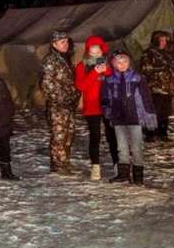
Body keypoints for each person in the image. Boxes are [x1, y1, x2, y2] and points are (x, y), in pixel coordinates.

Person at [102, 51, 158, 185]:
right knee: (121, 147)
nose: (122, 65)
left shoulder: (137, 79)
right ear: (113, 64)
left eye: (125, 62)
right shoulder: (109, 80)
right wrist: (107, 111)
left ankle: (138, 176)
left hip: (134, 117)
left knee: (136, 147)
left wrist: (149, 115)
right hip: (118, 118)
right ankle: (123, 174)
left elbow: (146, 98)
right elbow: (105, 98)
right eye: (118, 62)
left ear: (129, 63)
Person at [74, 36, 118, 181]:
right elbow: (81, 86)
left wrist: (107, 71)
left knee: (112, 136)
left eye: (97, 52)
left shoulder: (109, 64)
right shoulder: (82, 66)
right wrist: (95, 72)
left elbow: (115, 80)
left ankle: (117, 164)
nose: (95, 55)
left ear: (102, 51)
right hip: (92, 106)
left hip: (108, 105)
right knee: (95, 137)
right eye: (91, 53)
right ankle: (95, 166)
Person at [40, 31, 80, 175]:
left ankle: (64, 162)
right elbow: (47, 85)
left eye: (67, 42)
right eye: (62, 42)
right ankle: (58, 165)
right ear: (54, 44)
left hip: (69, 104)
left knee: (69, 135)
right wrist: (61, 99)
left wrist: (75, 96)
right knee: (59, 135)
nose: (66, 44)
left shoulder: (66, 59)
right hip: (58, 106)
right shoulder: (50, 60)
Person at [140, 31, 174, 142]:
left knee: (165, 112)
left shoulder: (168, 53)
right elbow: (146, 69)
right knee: (154, 111)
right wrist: (162, 68)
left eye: (165, 40)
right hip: (155, 87)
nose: (163, 42)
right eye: (161, 40)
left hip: (167, 87)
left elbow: (173, 68)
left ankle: (163, 133)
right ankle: (150, 134)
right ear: (155, 40)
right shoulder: (149, 53)